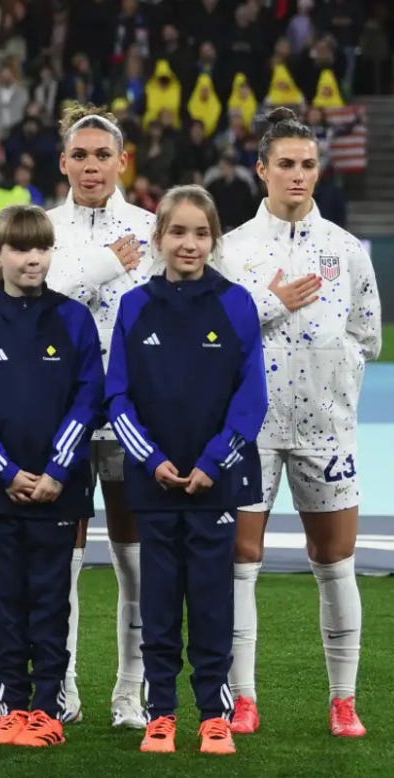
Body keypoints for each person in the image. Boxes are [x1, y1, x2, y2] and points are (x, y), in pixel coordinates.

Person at [224, 107, 381, 738]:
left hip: (326, 429)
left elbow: (366, 335)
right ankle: (244, 698)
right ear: (261, 169)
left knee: (334, 559)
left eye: (308, 165)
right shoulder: (232, 249)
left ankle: (343, 700)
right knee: (241, 558)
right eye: (285, 164)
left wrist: (335, 384)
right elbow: (215, 336)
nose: (297, 175)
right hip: (250, 430)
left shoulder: (346, 250)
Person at [106, 186, 266, 755]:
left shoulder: (237, 303)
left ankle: (213, 714)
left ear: (214, 240)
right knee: (158, 600)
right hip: (153, 483)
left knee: (211, 597)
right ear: (159, 239)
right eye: (178, 232)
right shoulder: (135, 305)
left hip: (214, 481)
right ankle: (162, 713)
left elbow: (251, 400)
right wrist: (152, 460)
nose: (189, 243)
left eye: (201, 233)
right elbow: (117, 396)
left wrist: (210, 462)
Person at [0, 204, 103, 748]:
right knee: (8, 600)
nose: (32, 258)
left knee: (51, 599)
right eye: (20, 248)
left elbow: (89, 401)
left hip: (60, 491)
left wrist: (56, 471)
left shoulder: (74, 319)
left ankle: (47, 709)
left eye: (41, 248)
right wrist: (9, 473)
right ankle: (12, 706)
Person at [42, 102, 157, 726]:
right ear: (64, 162)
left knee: (133, 555)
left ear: (121, 161)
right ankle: (64, 688)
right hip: (58, 414)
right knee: (64, 557)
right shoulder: (40, 229)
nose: (91, 166)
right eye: (79, 155)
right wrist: (108, 264)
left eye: (102, 155)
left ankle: (128, 694)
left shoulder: (155, 227)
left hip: (134, 413)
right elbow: (40, 302)